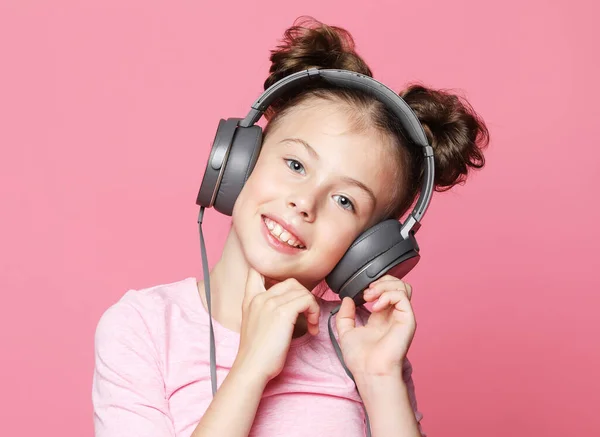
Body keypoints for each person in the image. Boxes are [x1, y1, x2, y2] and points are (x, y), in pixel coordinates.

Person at [92, 16, 489, 437]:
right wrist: (249, 370)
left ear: (367, 249)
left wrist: (380, 381)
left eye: (344, 201)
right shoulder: (143, 327)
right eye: (296, 164)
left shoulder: (362, 346)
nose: (305, 203)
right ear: (240, 162)